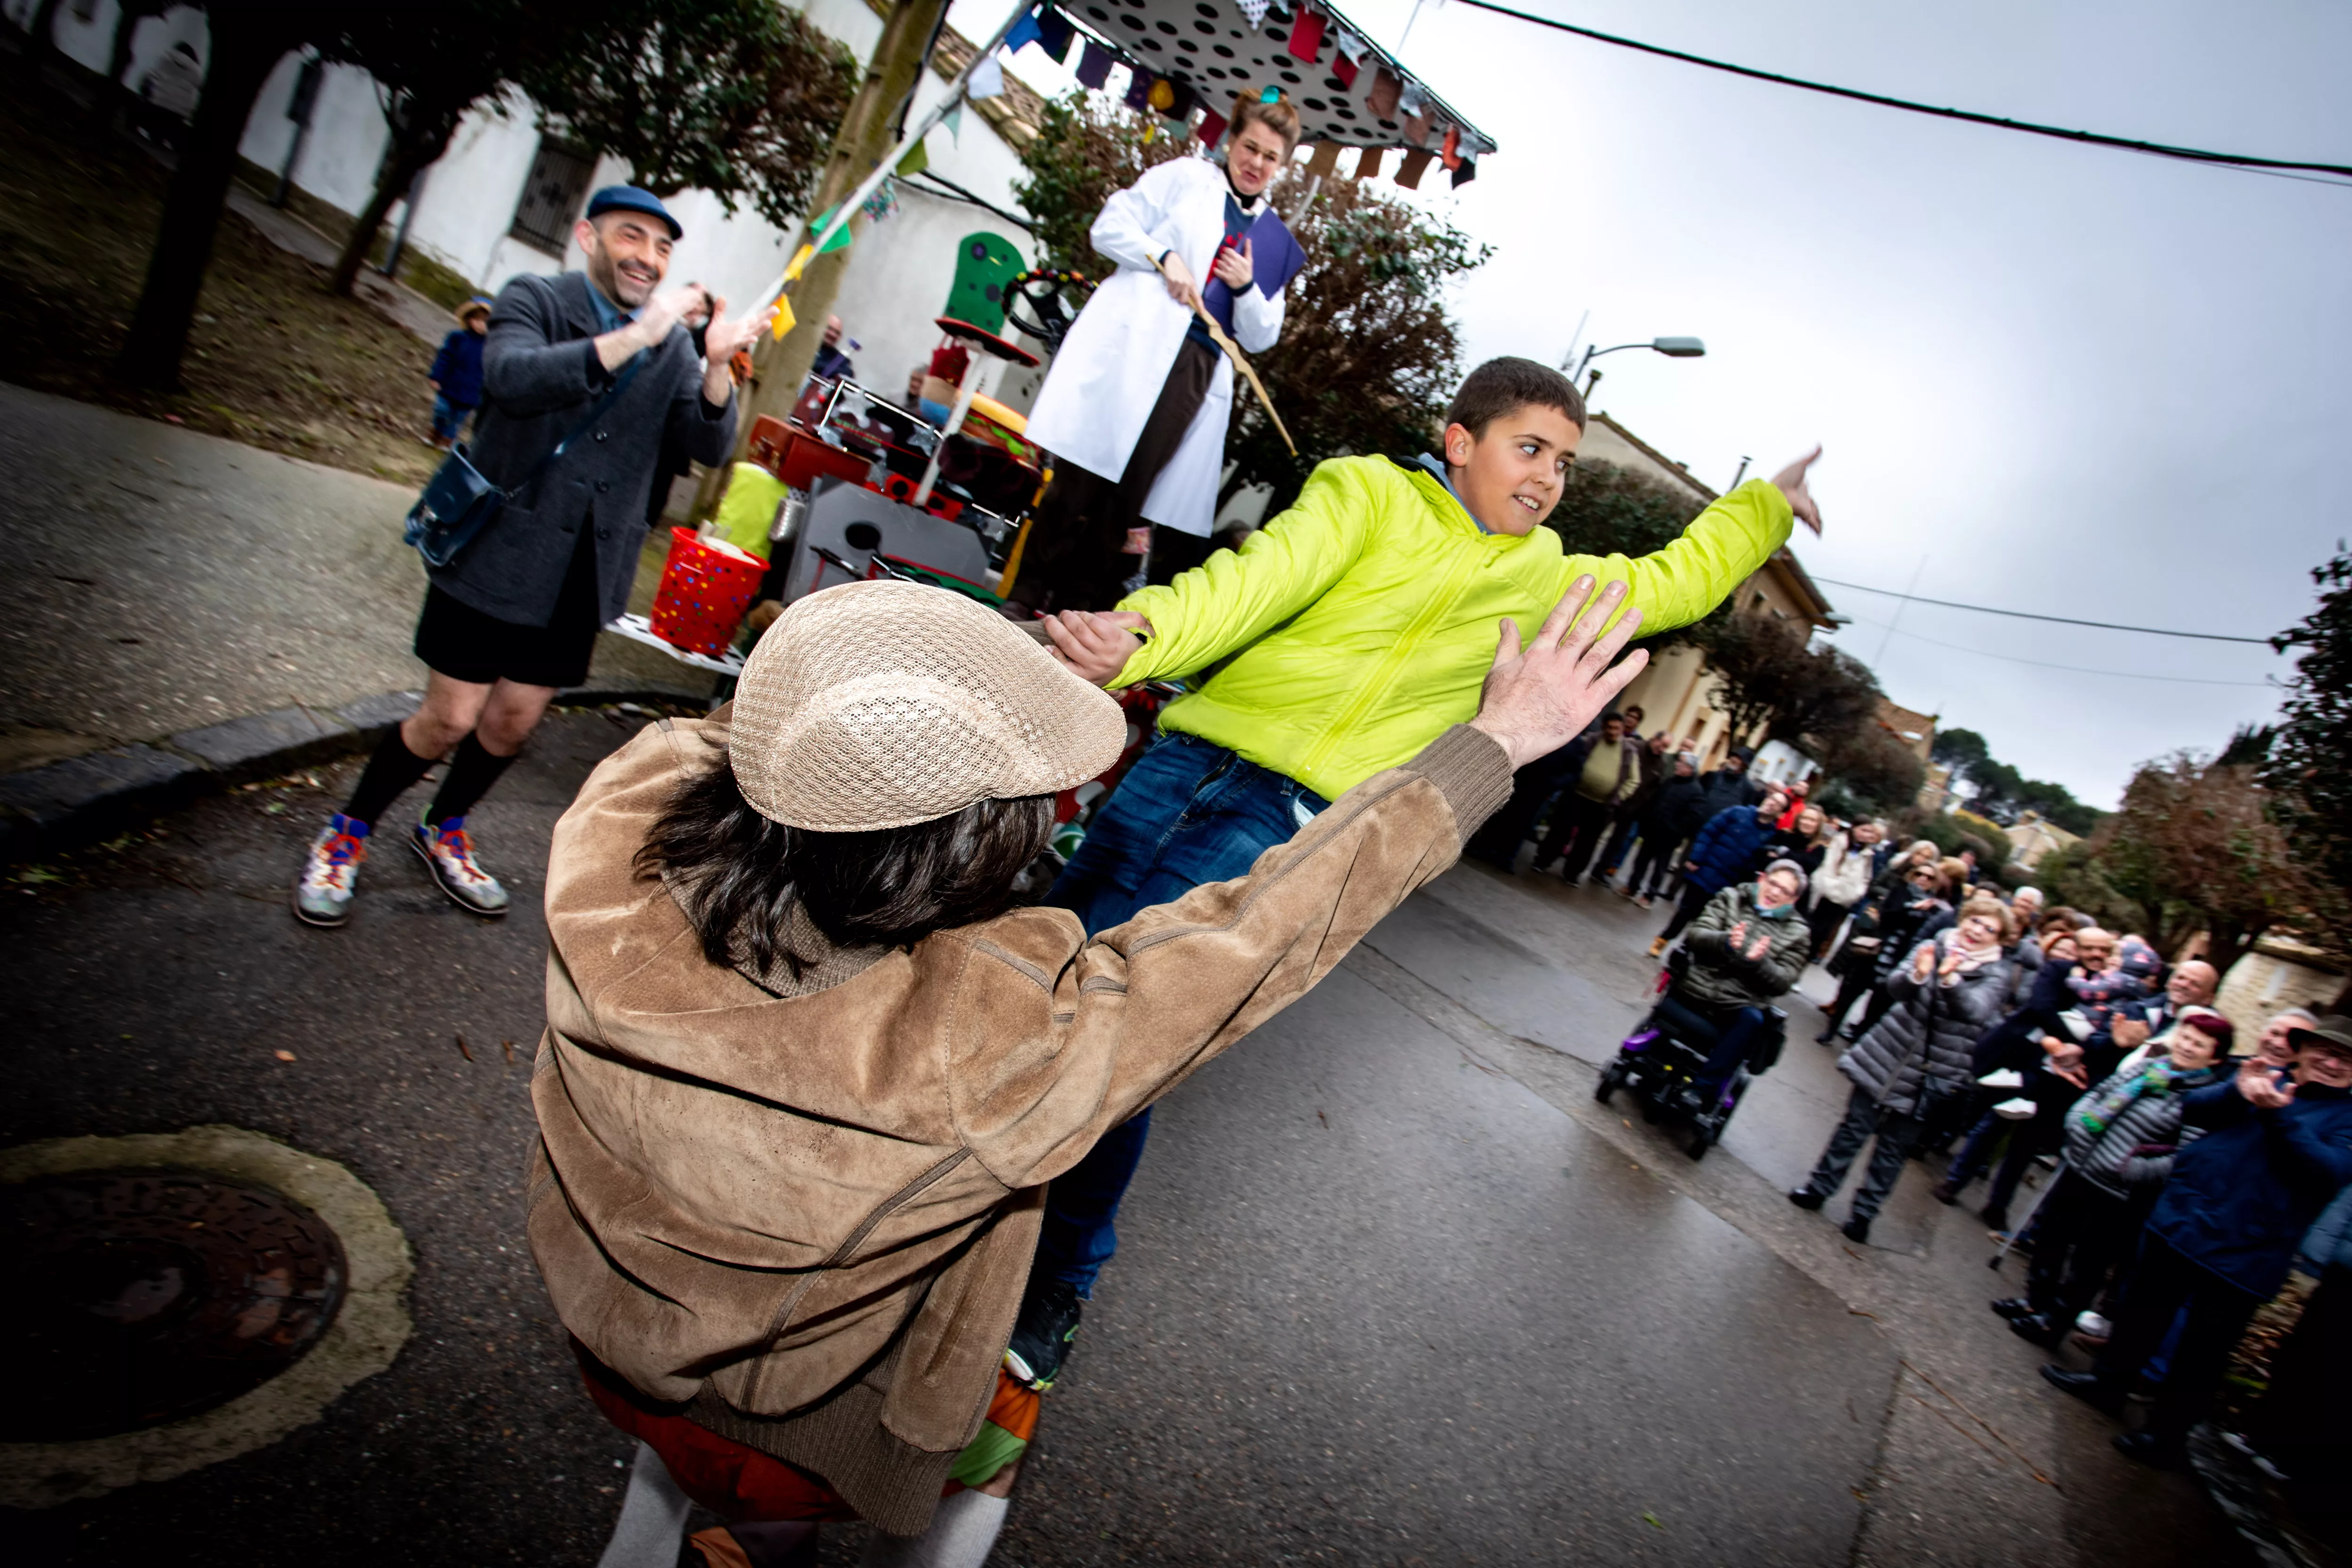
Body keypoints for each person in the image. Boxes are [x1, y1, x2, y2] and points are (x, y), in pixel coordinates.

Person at [532, 572, 1648, 1563]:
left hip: (612, 1347)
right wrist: (1491, 744)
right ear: (977, 851)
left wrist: (899, 689)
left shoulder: (615, 834)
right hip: (792, 1432)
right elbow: (1259, 934)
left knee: (671, 1478)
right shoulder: (996, 1035)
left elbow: (744, 738)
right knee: (834, 1499)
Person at [1011, 354, 1822, 1387]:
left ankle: (1061, 1277)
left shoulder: (1550, 581)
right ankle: (968, 1205)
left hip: (1293, 823)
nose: (1548, 479)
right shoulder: (1364, 492)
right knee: (1043, 989)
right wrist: (1136, 634)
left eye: (1565, 464)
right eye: (1530, 448)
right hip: (1178, 768)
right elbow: (1253, 581)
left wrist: (1766, 505)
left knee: (1129, 1045)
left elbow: (1680, 579)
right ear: (1459, 440)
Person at [292, 186, 753, 927]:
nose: (649, 258)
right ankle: (347, 832)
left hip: (583, 571)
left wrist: (716, 367)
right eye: (631, 237)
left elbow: (705, 445)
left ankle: (442, 827)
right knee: (449, 718)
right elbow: (509, 380)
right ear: (587, 237)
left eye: (664, 247)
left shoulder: (675, 344)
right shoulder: (534, 299)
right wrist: (639, 334)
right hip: (498, 551)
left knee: (509, 724)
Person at [1012, 94, 1303, 612]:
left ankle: (1074, 613)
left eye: (1270, 156)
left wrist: (1244, 287)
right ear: (1231, 141)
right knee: (1081, 473)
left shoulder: (1274, 239)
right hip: (1136, 345)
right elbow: (1108, 227)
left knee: (1130, 496)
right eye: (1250, 147)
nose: (1256, 163)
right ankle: (1025, 594)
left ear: (1283, 165)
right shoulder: (1185, 179)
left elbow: (1262, 336)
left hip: (1195, 368)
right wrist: (1162, 255)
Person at [2044, 1016, 2352, 1466]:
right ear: (2302, 1050)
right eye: (2323, 1050)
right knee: (2139, 1313)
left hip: (2245, 1250)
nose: (2329, 1061)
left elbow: (2326, 1171)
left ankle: (2164, 1437)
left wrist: (2277, 1115)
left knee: (2201, 1354)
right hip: (2183, 1219)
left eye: (2344, 1058)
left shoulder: (2344, 1118)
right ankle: (2107, 1385)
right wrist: (2236, 1091)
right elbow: (2196, 1109)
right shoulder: (2268, 1077)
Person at [1994, 1007, 2232, 1347]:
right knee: (2050, 1237)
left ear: (2215, 1058)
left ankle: (2054, 1323)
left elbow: (2183, 1155)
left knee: (2088, 1262)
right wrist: (2076, 1125)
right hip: (2081, 1165)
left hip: (2118, 1190)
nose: (2188, 1046)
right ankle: (2036, 1301)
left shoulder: (2202, 1099)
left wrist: (2129, 1170)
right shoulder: (2150, 1066)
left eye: (2200, 1044)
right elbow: (2098, 1094)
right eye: (2186, 1036)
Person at [1790, 897, 2014, 1244]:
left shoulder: (1997, 973)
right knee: (1853, 1127)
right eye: (1976, 921)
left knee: (1894, 1147)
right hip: (1890, 1048)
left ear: (1999, 939)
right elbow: (1894, 988)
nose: (1978, 931)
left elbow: (1975, 1011)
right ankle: (1818, 1188)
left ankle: (1864, 1214)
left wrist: (1951, 979)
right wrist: (1919, 974)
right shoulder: (1932, 945)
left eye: (1990, 929)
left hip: (1932, 1068)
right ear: (1965, 918)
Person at [2234, 1177, 2352, 1507]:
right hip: (2340, 1273)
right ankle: (2262, 1434)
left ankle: (2296, 1456)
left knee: (2334, 1372)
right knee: (2302, 1355)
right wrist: (2319, 1253)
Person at [1667, 859, 1813, 1109]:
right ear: (1761, 879)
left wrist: (1759, 963)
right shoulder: (1730, 898)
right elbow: (1696, 935)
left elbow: (1784, 982)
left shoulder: (1798, 934)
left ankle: (1700, 1091)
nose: (1775, 892)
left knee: (1753, 1021)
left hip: (1738, 1002)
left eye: (1785, 891)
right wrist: (1725, 942)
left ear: (1794, 900)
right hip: (1698, 984)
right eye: (1773, 883)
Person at [1647, 787, 1792, 957]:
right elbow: (1709, 831)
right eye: (1771, 799)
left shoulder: (1771, 836)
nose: (1771, 804)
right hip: (1705, 870)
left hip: (1729, 882)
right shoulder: (1738, 813)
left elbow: (1758, 866)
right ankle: (1663, 940)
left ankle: (1685, 949)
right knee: (1685, 911)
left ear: (1781, 813)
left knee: (1708, 919)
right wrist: (1696, 857)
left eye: (1777, 804)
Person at [1815, 857, 1944, 1044]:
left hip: (1898, 958)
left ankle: (1860, 1036)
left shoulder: (1934, 908)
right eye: (1919, 874)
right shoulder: (1901, 892)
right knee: (1850, 991)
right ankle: (1831, 1030)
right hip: (1876, 950)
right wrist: (1911, 908)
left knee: (1879, 1003)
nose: (1923, 879)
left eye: (1929, 877)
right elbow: (1886, 917)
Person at [1534, 708, 1642, 883]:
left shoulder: (1629, 751)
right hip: (1576, 795)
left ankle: (1572, 874)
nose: (1612, 732)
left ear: (1622, 728)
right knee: (1560, 831)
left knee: (1587, 842)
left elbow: (1634, 780)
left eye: (1616, 728)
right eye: (1609, 728)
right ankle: (1542, 861)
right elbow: (1575, 761)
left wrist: (1619, 796)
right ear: (1604, 728)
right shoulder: (1592, 740)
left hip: (1602, 804)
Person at [1626, 750, 1705, 909]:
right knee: (1641, 861)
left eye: (1681, 763)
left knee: (1659, 868)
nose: (1677, 764)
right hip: (1652, 831)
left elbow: (1692, 818)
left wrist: (1675, 830)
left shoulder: (1696, 791)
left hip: (1669, 838)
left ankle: (1650, 896)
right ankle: (1632, 887)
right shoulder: (1670, 781)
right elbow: (1655, 800)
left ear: (1690, 769)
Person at [1593, 726, 1672, 885]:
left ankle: (1600, 870)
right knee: (1595, 832)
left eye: (1666, 748)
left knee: (1617, 842)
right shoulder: (1634, 748)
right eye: (1661, 745)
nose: (1662, 749)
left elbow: (1653, 791)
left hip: (1633, 810)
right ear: (1654, 738)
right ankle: (1579, 860)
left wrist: (1643, 810)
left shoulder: (1660, 765)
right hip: (1616, 800)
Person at [1806, 818, 1881, 962]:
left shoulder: (1867, 854)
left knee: (1826, 930)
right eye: (1864, 830)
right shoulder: (1840, 843)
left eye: (1870, 832)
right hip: (1826, 893)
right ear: (1854, 829)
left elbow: (1866, 878)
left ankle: (1813, 953)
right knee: (1814, 925)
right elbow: (1828, 866)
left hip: (1845, 898)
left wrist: (1857, 893)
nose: (1867, 835)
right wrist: (1831, 886)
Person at [426, 296, 492, 450]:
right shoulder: (458, 338)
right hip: (450, 384)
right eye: (477, 320)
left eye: (484, 322)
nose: (480, 325)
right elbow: (445, 357)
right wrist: (437, 376)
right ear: (470, 320)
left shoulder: (489, 346)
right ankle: (435, 433)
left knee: (457, 418)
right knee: (442, 410)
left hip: (471, 391)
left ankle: (447, 441)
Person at [810, 314, 855, 382]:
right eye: (829, 328)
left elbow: (849, 374)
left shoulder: (841, 359)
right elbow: (812, 364)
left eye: (837, 333)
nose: (833, 335)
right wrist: (833, 369)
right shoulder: (807, 345)